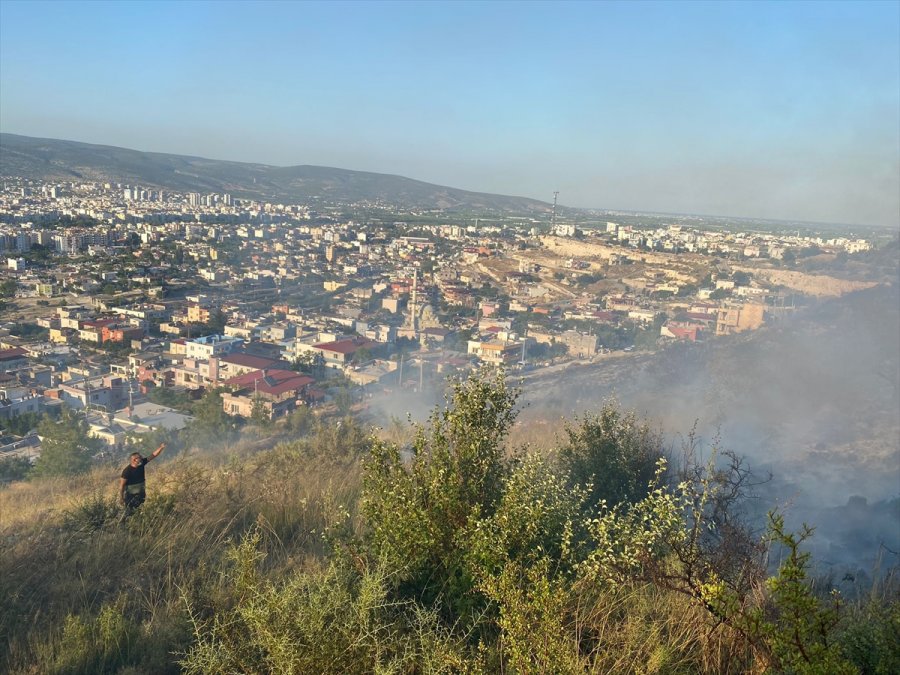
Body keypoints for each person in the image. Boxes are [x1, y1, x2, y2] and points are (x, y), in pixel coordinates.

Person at [120, 443, 165, 515]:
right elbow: (122, 485)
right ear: (134, 460)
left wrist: (161, 447)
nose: (141, 458)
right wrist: (121, 498)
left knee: (140, 511)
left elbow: (153, 455)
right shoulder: (127, 471)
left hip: (141, 494)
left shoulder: (141, 464)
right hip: (131, 496)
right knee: (130, 513)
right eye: (139, 457)